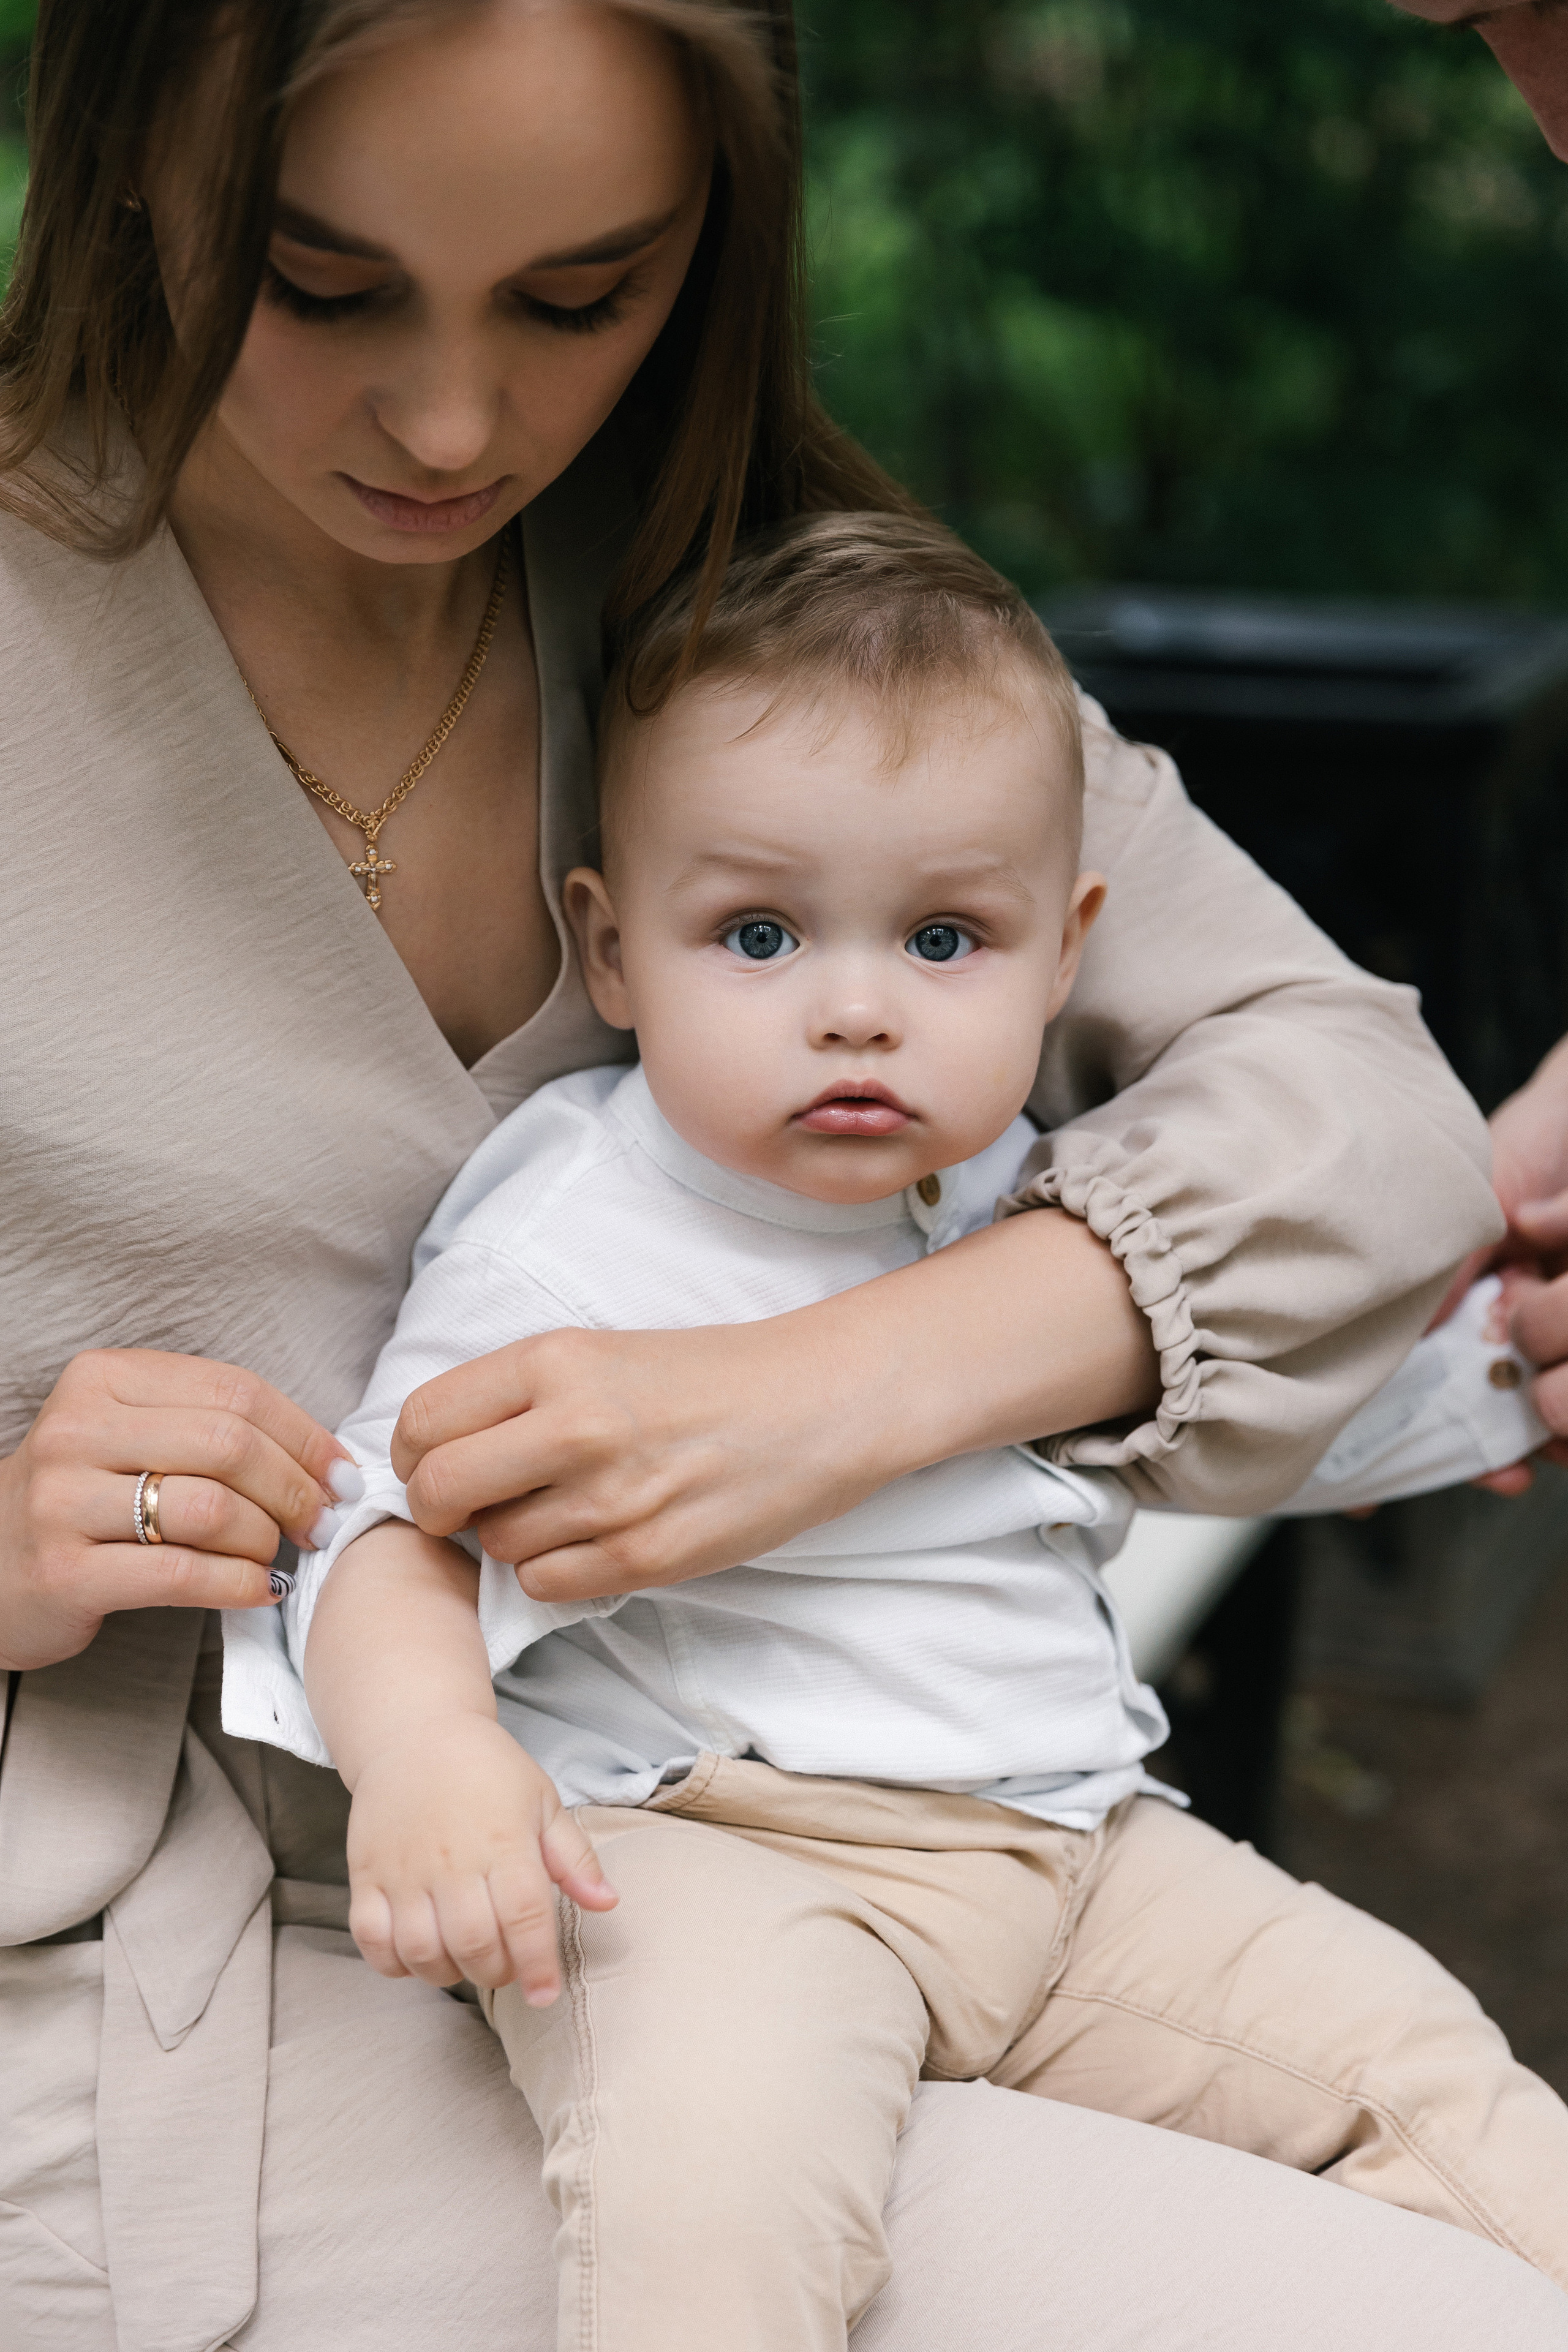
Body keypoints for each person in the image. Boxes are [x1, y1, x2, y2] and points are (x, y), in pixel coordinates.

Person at [0, 4, 1560, 2348]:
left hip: (934, 1850)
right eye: (319, 285)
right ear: (120, 149)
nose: (451, 424)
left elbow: (1355, 1108)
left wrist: (841, 1388)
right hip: (162, 1987)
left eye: (577, 296)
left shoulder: (762, 615)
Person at [265, 513, 1568, 2352]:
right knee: (713, 2201)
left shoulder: (1040, 1205)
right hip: (714, 1854)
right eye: (762, 933)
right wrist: (425, 1761)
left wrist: (1480, 1381)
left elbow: (1161, 1438)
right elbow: (385, 1522)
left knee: (1438, 2081)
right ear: (613, 947)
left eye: (946, 937)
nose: (857, 1008)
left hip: (1069, 1849)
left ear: (1066, 960)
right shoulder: (575, 1222)